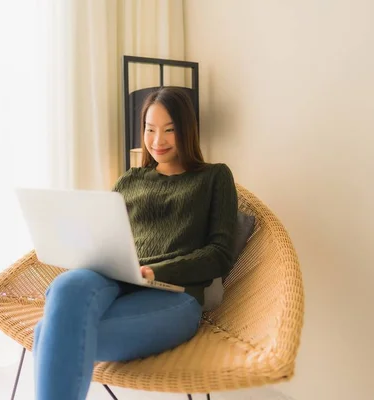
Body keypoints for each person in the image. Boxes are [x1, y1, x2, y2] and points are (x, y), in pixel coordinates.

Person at [32, 87, 238, 400]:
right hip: (115, 279)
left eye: (170, 130)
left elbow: (220, 255)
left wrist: (154, 271)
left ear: (188, 130)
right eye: (150, 129)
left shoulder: (214, 177)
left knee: (49, 332)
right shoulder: (130, 179)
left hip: (175, 295)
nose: (158, 141)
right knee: (66, 286)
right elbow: (107, 235)